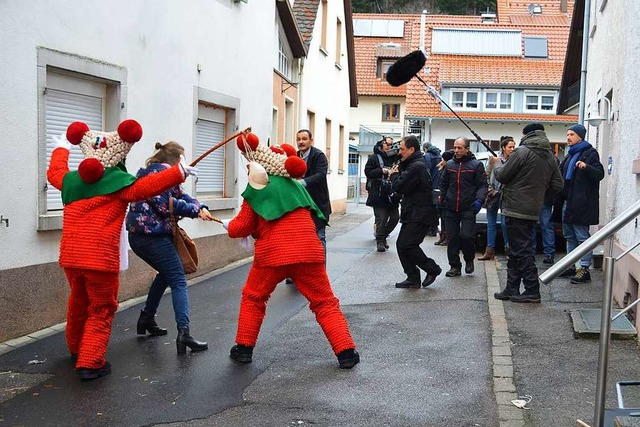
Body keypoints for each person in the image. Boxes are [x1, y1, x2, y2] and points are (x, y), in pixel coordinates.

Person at [47, 120, 194, 380]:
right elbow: (148, 187)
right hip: (100, 260)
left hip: (70, 257)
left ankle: (76, 348)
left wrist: (61, 149)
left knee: (78, 301)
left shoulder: (70, 181)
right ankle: (90, 362)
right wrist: (178, 172)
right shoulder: (120, 185)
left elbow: (54, 172)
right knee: (101, 308)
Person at [224, 137, 359, 369]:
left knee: (254, 297)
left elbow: (241, 227)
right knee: (325, 302)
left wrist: (227, 224)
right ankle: (346, 351)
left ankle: (244, 348)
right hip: (308, 251)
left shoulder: (258, 186)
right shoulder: (296, 186)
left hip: (272, 256)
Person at [126, 142, 213, 354]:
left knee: (166, 275)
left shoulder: (162, 174)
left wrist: (199, 206)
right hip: (151, 237)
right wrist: (194, 211)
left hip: (140, 236)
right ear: (175, 160)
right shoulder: (157, 178)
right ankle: (184, 333)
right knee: (178, 280)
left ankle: (147, 318)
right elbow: (168, 205)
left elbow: (180, 196)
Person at [493, 123, 564, 303]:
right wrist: (539, 197)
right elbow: (558, 185)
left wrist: (496, 165)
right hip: (532, 209)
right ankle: (512, 288)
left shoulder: (521, 152)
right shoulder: (549, 155)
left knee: (521, 251)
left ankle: (532, 290)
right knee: (517, 249)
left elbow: (502, 176)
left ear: (527, 134)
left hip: (515, 209)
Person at [388, 135, 442, 288]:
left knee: (408, 245)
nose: (399, 152)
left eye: (402, 149)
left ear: (412, 150)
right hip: (413, 212)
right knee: (402, 245)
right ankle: (412, 277)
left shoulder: (416, 166)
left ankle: (432, 269)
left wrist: (394, 175)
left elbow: (401, 186)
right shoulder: (413, 164)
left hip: (420, 213)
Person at [556, 124, 605, 283]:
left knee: (582, 236)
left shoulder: (589, 153)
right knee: (569, 236)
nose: (568, 137)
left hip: (581, 203)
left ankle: (584, 269)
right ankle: (572, 265)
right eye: (567, 134)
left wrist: (586, 167)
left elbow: (599, 174)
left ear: (580, 136)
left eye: (571, 134)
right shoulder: (570, 155)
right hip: (568, 202)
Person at [439, 137, 488, 277]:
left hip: (469, 206)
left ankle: (469, 260)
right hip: (451, 206)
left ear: (467, 149)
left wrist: (479, 199)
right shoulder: (449, 165)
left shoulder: (476, 165)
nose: (456, 150)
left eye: (460, 148)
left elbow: (482, 185)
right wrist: (441, 198)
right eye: (455, 147)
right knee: (452, 237)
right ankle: (454, 266)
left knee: (466, 236)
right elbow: (443, 184)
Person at [478, 136, 515, 260]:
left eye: (514, 147)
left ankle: (508, 250)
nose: (512, 149)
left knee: (505, 224)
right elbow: (486, 174)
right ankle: (489, 250)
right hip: (493, 194)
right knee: (491, 224)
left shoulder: (514, 160)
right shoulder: (494, 159)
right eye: (510, 147)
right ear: (503, 147)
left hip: (507, 195)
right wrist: (489, 188)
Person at [296, 129, 331, 250]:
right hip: (301, 205)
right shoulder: (295, 156)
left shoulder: (319, 156)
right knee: (302, 241)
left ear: (311, 140)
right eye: (299, 139)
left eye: (304, 139)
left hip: (318, 205)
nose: (301, 142)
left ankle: (322, 268)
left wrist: (302, 182)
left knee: (319, 237)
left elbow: (321, 174)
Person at [365, 136, 399, 252]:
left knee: (395, 218)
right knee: (382, 218)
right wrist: (381, 171)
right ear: (382, 144)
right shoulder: (374, 158)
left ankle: (383, 236)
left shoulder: (395, 158)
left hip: (392, 193)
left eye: (391, 144)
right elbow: (368, 172)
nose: (389, 147)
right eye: (387, 144)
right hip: (378, 193)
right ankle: (380, 241)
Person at [434, 149, 453, 246]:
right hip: (441, 195)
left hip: (446, 196)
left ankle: (447, 237)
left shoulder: (448, 168)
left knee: (446, 218)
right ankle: (443, 236)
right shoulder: (443, 167)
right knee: (443, 217)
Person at [423, 142, 443, 237]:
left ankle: (430, 229)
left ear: (425, 149)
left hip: (430, 185)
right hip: (438, 185)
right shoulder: (439, 155)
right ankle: (435, 227)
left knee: (429, 207)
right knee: (436, 207)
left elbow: (427, 170)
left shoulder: (427, 156)